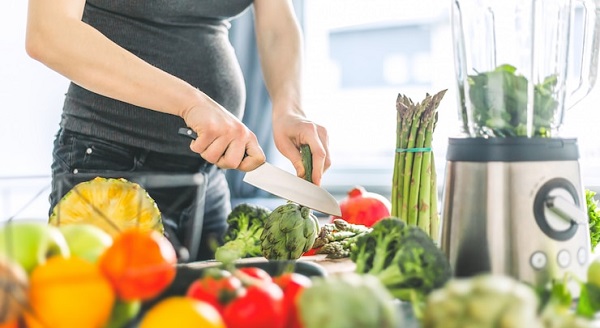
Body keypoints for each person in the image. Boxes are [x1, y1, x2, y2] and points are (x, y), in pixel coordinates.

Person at [25, 0, 331, 261]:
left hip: (208, 178)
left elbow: (277, 26)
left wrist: (289, 109)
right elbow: (49, 33)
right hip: (110, 167)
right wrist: (191, 103)